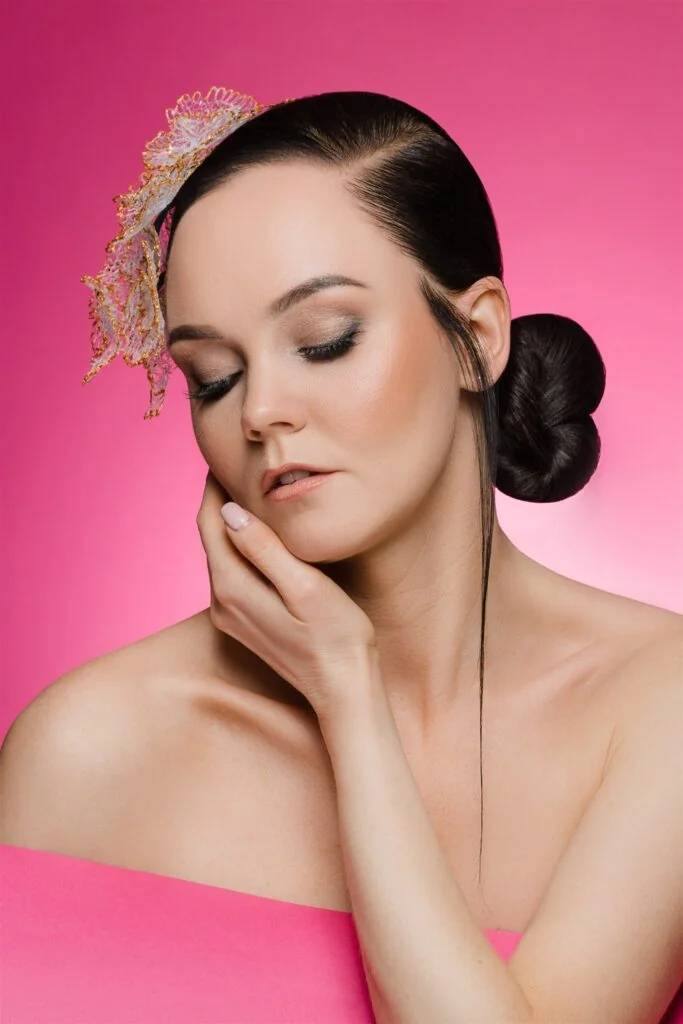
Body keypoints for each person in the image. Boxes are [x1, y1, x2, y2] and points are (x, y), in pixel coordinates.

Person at [1, 87, 681, 1024]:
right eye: (214, 378)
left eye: (325, 342)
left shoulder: (656, 706)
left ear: (477, 339)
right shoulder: (91, 750)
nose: (259, 411)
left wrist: (349, 698)